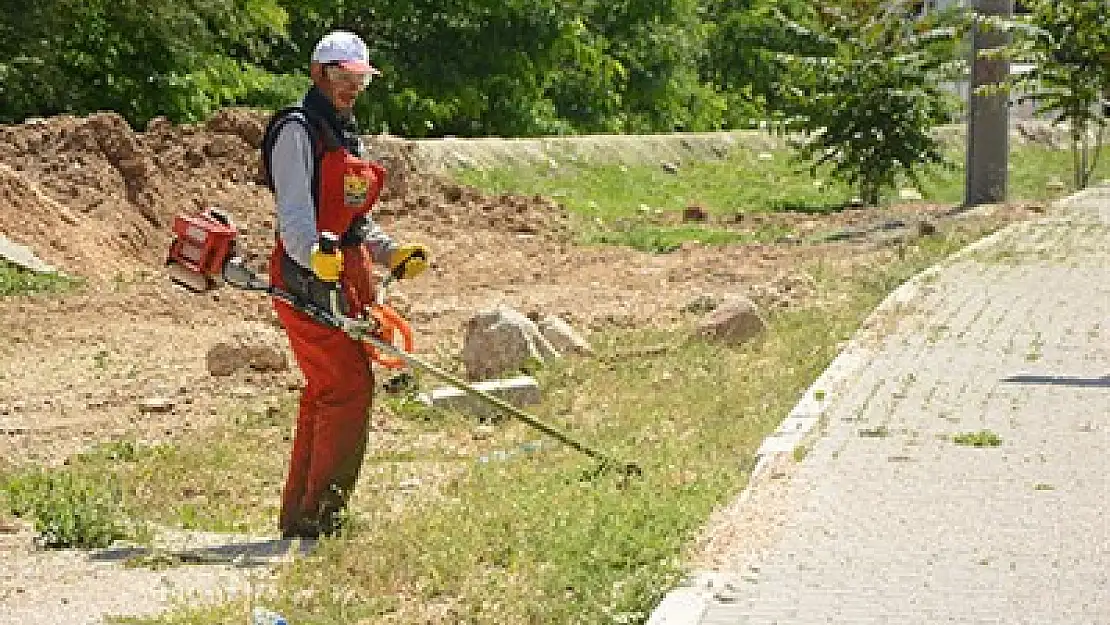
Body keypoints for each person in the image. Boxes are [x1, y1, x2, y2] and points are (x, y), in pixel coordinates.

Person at [260, 30, 430, 539]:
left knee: (328, 390)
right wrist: (316, 258)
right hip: (305, 273)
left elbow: (358, 220)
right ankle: (321, 517)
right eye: (343, 75)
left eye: (360, 78)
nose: (352, 86)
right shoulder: (297, 131)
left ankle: (302, 516)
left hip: (346, 269)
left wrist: (389, 251)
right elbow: (294, 219)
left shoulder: (347, 133)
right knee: (347, 389)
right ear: (320, 74)